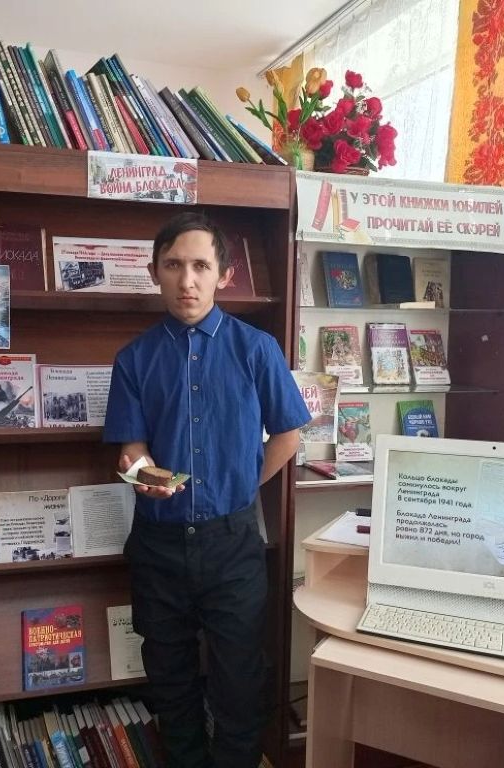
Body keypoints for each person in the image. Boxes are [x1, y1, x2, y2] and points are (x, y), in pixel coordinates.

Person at [104, 212, 311, 768]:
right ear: (155, 272)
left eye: (201, 266)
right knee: (170, 683)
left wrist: (242, 484)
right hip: (158, 546)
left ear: (225, 274)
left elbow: (288, 435)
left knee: (239, 683)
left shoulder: (256, 349)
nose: (187, 281)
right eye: (173, 265)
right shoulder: (134, 359)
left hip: (233, 543)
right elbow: (131, 450)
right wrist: (143, 475)